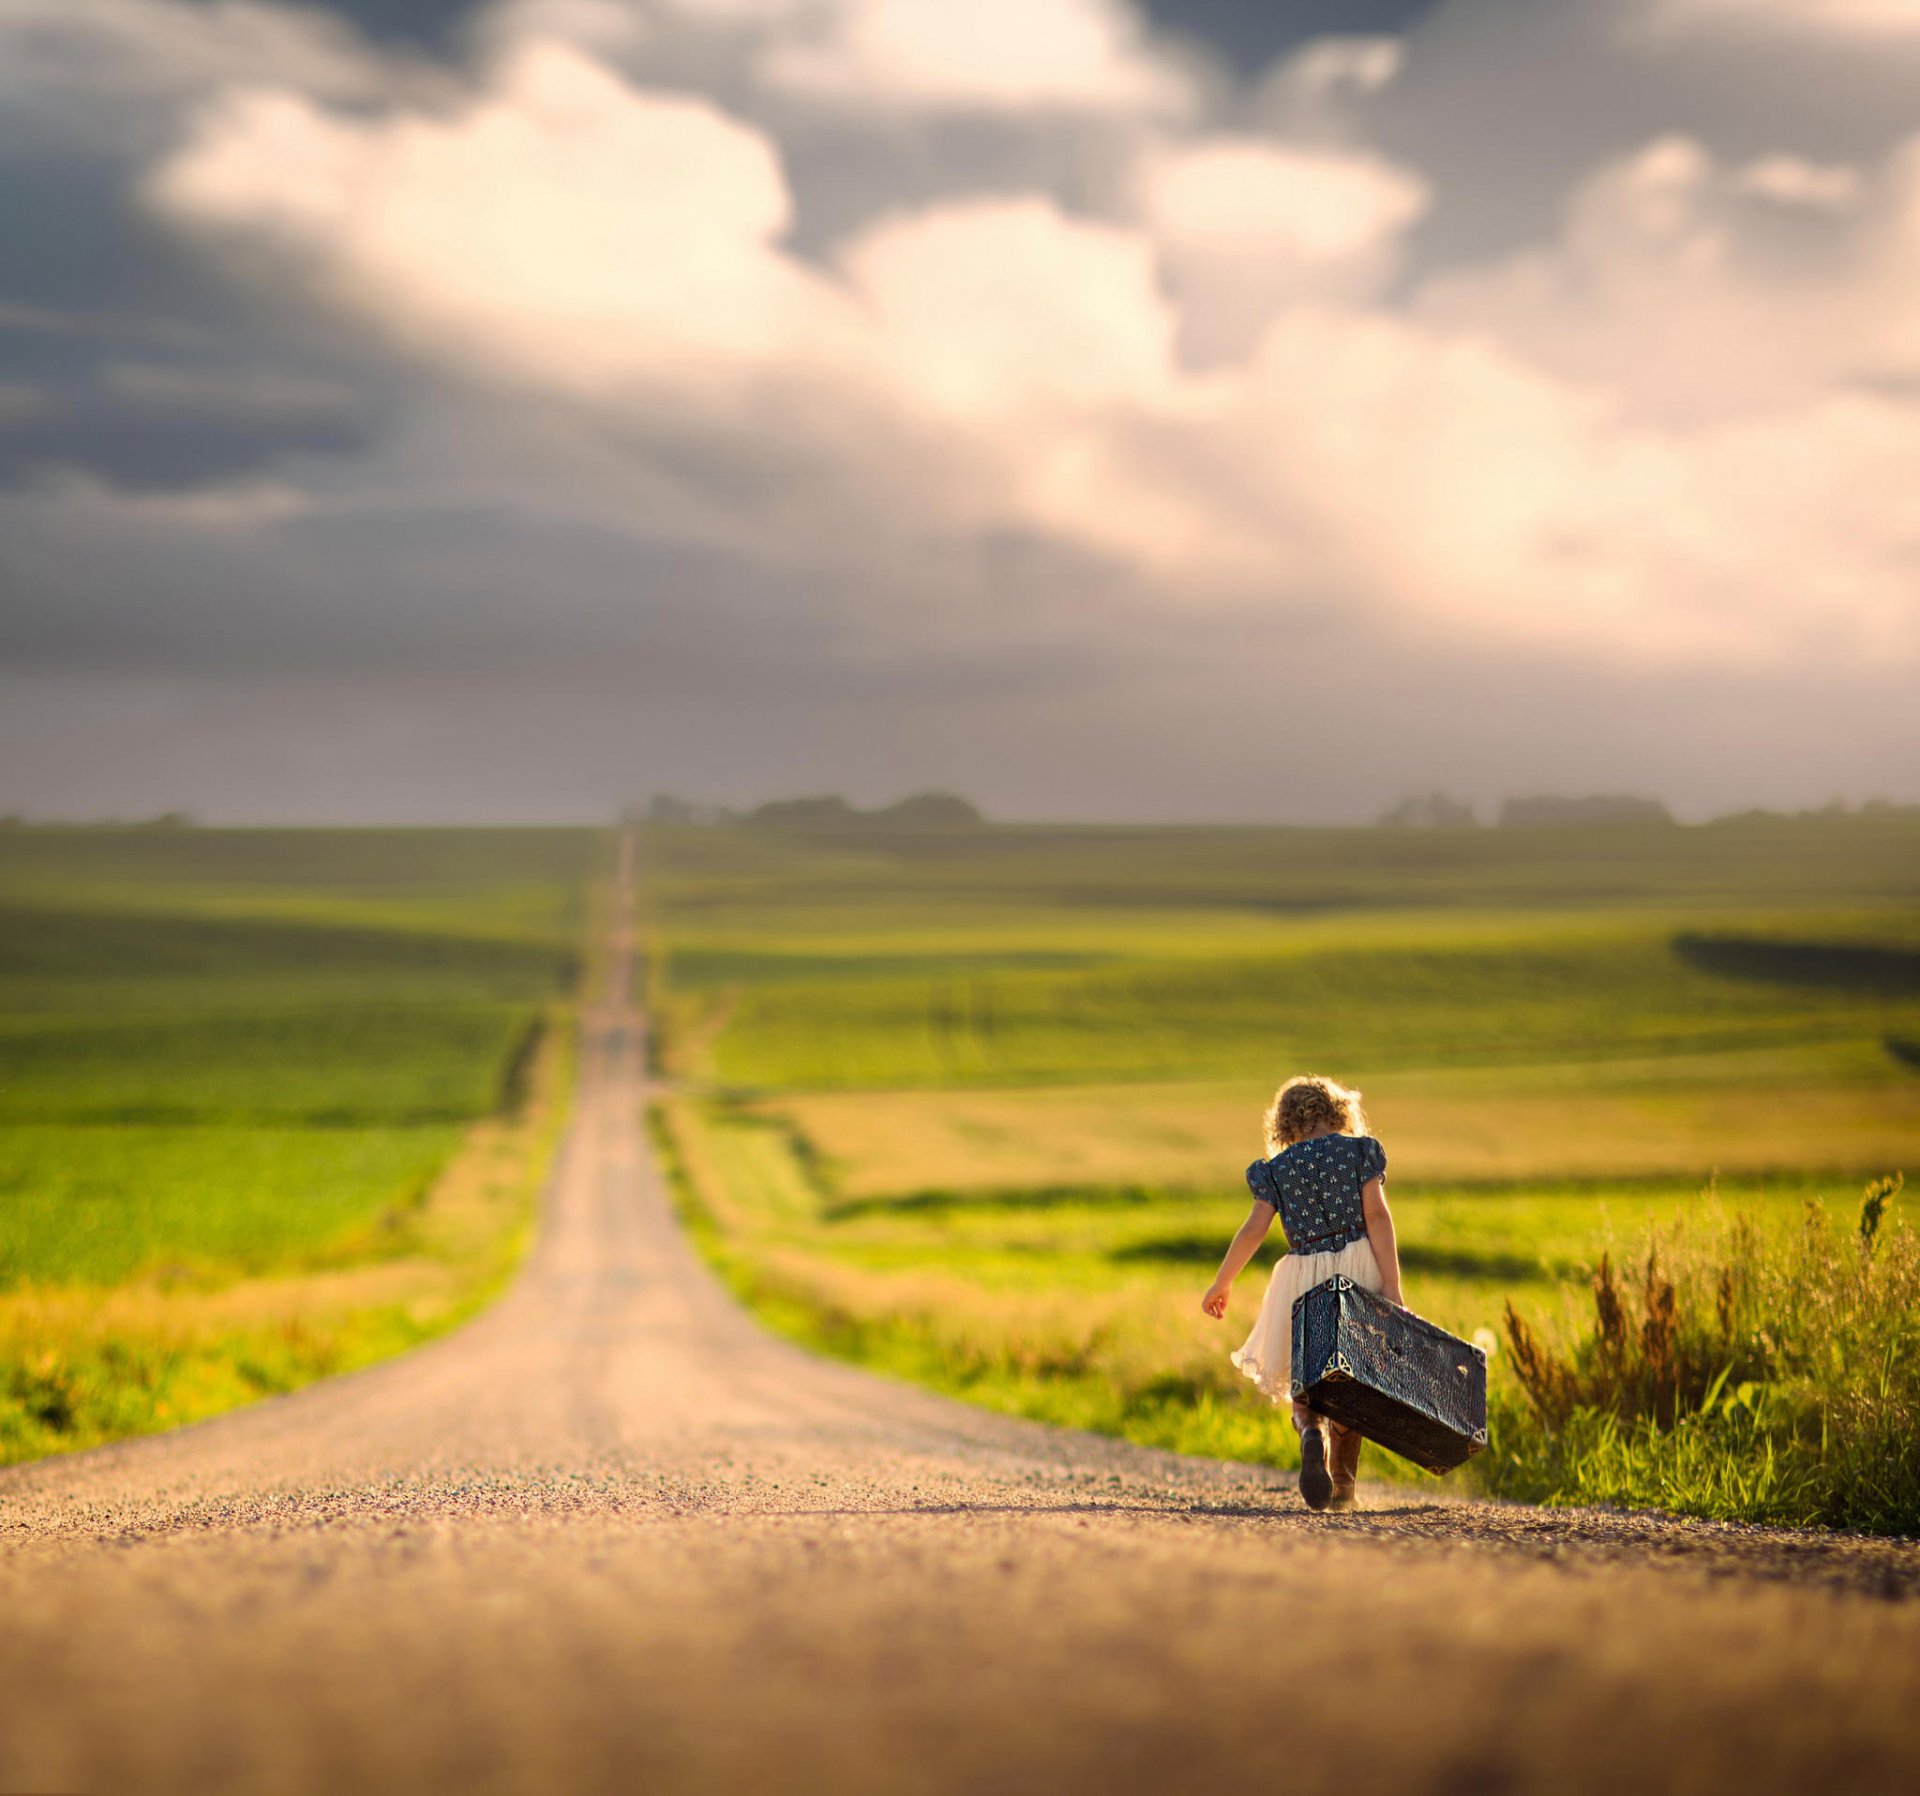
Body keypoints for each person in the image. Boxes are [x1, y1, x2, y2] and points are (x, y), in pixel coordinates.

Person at [1200, 1074, 1404, 1512]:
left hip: (1302, 1275)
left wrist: (1223, 1281)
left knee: (1306, 1372)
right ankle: (1343, 1485)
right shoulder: (1359, 1152)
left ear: (1285, 1124)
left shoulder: (1278, 1169)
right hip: (1357, 1268)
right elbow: (1377, 1216)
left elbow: (1253, 1230)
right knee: (1353, 1376)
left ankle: (1311, 1431)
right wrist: (1391, 1284)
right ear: (1338, 1112)